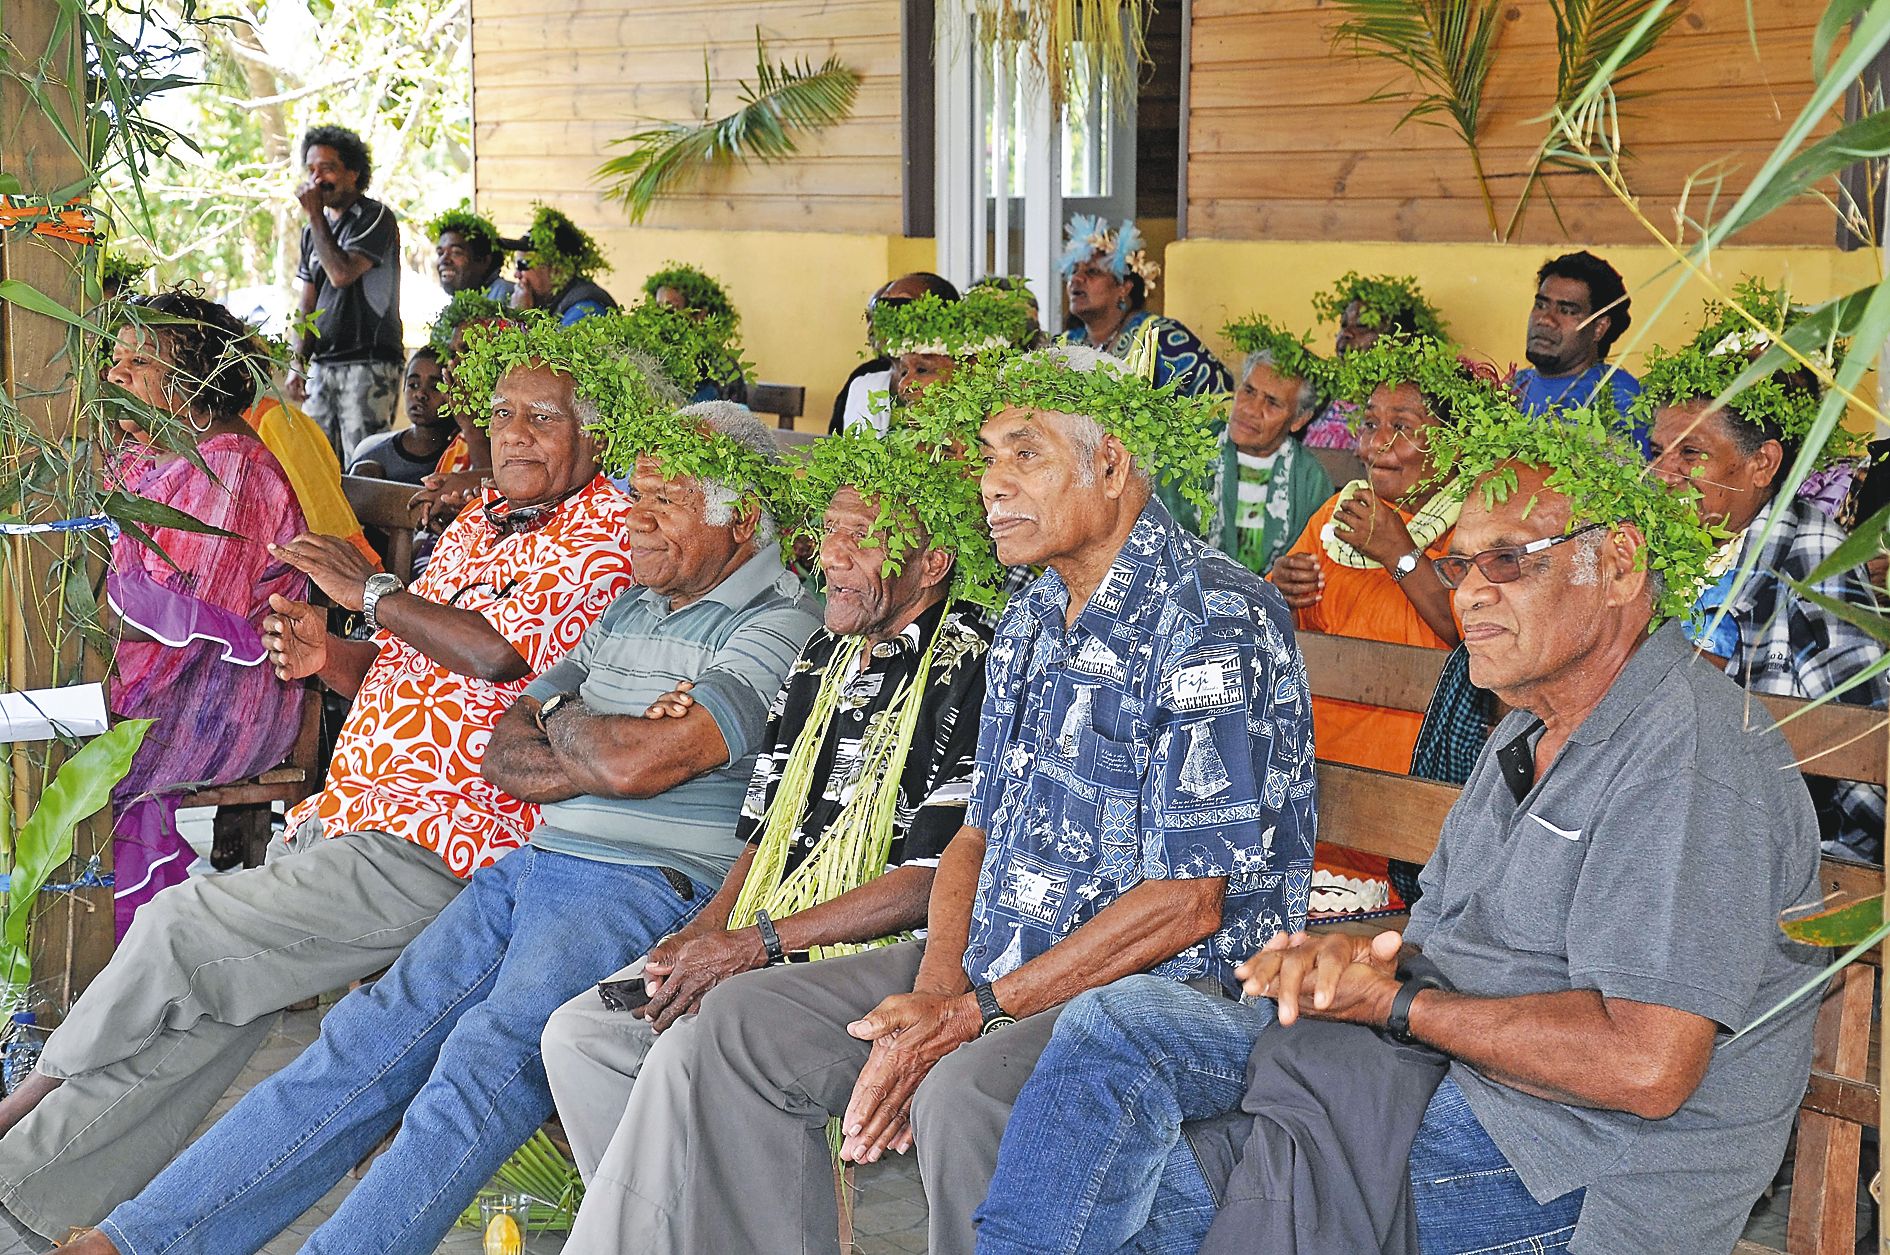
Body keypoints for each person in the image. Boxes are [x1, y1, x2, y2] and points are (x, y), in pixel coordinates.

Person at [976, 405, 1826, 1255]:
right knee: (1116, 1028)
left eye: (1507, 563)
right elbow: (1438, 932)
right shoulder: (1529, 728)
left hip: (1571, 1164)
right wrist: (1347, 952)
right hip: (1439, 1076)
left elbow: (1645, 1067)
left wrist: (1399, 1003)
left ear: (1618, 564)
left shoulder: (1688, 753)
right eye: (1462, 564)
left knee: (1158, 1205)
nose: (1469, 595)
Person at [63, 401, 823, 1255]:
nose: (633, 519)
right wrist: (596, 729)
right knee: (360, 1042)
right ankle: (138, 1241)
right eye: (634, 495)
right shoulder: (635, 609)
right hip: (536, 859)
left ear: (741, 516)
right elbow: (508, 745)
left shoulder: (781, 619)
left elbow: (638, 765)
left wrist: (574, 728)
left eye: (661, 503)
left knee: (483, 1062)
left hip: (640, 883)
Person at [656, 345, 1314, 1255]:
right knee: (740, 1027)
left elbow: (1187, 902)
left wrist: (968, 1019)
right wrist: (936, 998)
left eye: (1024, 453)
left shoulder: (1209, 618)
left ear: (1111, 463)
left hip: (1154, 996)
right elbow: (977, 833)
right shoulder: (1034, 612)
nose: (992, 485)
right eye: (987, 457)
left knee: (966, 1090)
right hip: (998, 966)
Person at [0, 321, 648, 1245]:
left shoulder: (610, 536)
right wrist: (330, 656)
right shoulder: (478, 523)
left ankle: (30, 1093)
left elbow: (506, 661)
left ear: (598, 431)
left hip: (448, 839)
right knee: (203, 1009)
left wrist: (374, 591)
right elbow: (410, 669)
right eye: (502, 413)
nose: (511, 433)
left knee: (187, 928)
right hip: (360, 813)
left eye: (541, 417)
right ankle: (21, 1201)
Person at [543, 425, 998, 1254]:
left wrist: (753, 945)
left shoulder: (971, 661)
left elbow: (927, 880)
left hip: (876, 949)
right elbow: (761, 833)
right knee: (581, 1037)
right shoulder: (822, 650)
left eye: (863, 540)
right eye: (830, 530)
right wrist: (706, 929)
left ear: (931, 565)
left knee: (690, 1049)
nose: (833, 555)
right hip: (763, 927)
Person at [1641, 285, 1887, 861]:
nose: (1663, 473)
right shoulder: (1656, 547)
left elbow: (1867, 760)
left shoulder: (1812, 560)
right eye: (1657, 450)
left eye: (1690, 454)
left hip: (1775, 847)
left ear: (1762, 465)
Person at [99, 291, 310, 935]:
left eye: (138, 362)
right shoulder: (155, 451)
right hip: (166, 676)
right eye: (114, 360)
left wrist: (96, 694)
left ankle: (99, 945)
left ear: (193, 378)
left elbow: (183, 626)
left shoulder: (232, 472)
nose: (115, 376)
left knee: (58, 751)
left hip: (222, 694)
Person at [1268, 335, 1481, 914]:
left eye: (1404, 426)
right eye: (1370, 424)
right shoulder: (1338, 514)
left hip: (1407, 798)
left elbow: (1468, 633)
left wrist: (1398, 550)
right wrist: (1278, 589)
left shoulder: (1475, 527)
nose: (1379, 445)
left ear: (1453, 441)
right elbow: (1282, 633)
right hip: (1313, 780)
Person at [287, 125, 403, 462]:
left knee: (361, 464)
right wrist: (298, 363)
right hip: (322, 367)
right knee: (317, 465)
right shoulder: (313, 232)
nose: (317, 178)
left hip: (368, 363)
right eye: (311, 169)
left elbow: (341, 273)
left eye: (327, 168)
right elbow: (306, 304)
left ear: (353, 172)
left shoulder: (374, 216)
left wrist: (314, 214)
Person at [1205, 314, 1335, 566]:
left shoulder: (1310, 479)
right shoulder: (1193, 448)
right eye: (1248, 391)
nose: (1251, 409)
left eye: (1272, 403)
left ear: (1299, 419)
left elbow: (1311, 561)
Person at [1060, 214, 1229, 401]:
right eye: (1073, 271)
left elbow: (1221, 400)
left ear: (1123, 288)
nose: (1076, 279)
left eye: (1092, 271)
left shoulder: (1162, 338)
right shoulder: (1064, 343)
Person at [1510, 250, 1644, 445]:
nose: (1545, 319)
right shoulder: (1513, 385)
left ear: (1599, 328)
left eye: (1566, 311)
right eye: (1541, 305)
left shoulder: (1620, 398)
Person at [1303, 272, 1448, 451]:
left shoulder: (1411, 404)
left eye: (1363, 325)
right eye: (1343, 325)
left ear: (1398, 339)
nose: (1346, 333)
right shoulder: (1325, 394)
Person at [829, 272, 962, 432]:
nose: (882, 318)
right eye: (879, 307)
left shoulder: (961, 387)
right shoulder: (863, 382)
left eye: (899, 305)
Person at [348, 345, 457, 484]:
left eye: (435, 387)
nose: (420, 394)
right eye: (413, 385)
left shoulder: (462, 452)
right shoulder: (374, 458)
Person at [511, 204, 617, 325]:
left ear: (557, 270)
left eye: (523, 265)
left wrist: (521, 317)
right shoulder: (552, 303)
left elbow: (548, 344)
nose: (516, 274)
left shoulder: (585, 310)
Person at [428, 202, 513, 302]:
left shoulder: (507, 295)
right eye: (440, 253)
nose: (444, 260)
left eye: (456, 252)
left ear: (483, 260)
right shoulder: (461, 302)